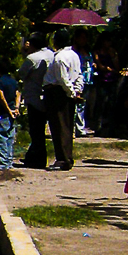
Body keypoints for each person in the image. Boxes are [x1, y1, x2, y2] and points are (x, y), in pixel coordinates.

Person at [43, 28, 84, 171]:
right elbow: (79, 75)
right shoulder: (74, 55)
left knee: (59, 126)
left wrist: (71, 93)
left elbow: (62, 79)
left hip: (58, 92)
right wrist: (77, 90)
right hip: (67, 92)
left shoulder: (60, 57)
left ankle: (63, 159)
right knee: (67, 126)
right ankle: (66, 156)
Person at [17, 33, 54, 168]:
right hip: (47, 95)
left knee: (35, 131)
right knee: (42, 130)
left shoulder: (32, 58)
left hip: (33, 96)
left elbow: (21, 73)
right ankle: (35, 157)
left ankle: (37, 159)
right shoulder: (51, 54)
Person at [0, 59, 21, 172]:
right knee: (10, 137)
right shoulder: (13, 81)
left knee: (1, 138)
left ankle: (2, 162)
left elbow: (1, 97)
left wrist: (8, 110)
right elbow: (18, 94)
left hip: (2, 113)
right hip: (13, 112)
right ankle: (8, 161)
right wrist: (16, 108)